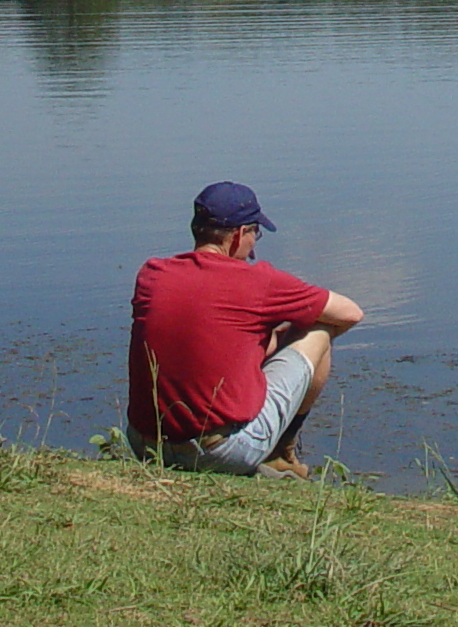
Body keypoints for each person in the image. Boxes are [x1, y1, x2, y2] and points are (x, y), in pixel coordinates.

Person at [126, 180, 364, 478]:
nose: (255, 243)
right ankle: (282, 452)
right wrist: (287, 336)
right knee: (319, 330)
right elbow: (351, 313)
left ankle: (269, 449)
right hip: (219, 453)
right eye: (256, 233)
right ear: (239, 234)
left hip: (145, 446)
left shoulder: (152, 274)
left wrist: (260, 343)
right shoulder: (258, 282)